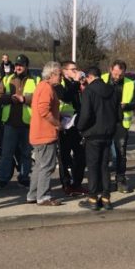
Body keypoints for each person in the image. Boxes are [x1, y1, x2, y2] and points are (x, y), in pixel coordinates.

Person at [77, 67, 118, 211]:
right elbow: (117, 112)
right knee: (104, 166)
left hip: (93, 133)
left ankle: (93, 198)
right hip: (108, 133)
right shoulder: (112, 90)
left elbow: (86, 114)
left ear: (89, 77)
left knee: (93, 166)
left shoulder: (89, 91)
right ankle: (106, 198)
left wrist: (80, 127)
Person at [0, 54, 36, 188]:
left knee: (26, 153)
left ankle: (24, 177)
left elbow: (38, 98)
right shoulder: (7, 79)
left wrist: (24, 99)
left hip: (27, 123)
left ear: (26, 66)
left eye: (21, 65)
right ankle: (3, 178)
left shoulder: (35, 80)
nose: (18, 67)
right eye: (17, 65)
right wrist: (11, 99)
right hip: (10, 124)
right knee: (7, 153)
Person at [26, 61, 63, 207]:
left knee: (39, 166)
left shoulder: (41, 86)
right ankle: (43, 196)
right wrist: (57, 123)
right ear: (52, 74)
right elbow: (43, 110)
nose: (61, 77)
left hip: (38, 133)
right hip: (45, 134)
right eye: (59, 74)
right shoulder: (47, 88)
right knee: (47, 166)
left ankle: (33, 194)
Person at [102, 60, 135, 193]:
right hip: (104, 122)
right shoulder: (102, 79)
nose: (117, 77)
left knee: (120, 154)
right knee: (104, 153)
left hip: (121, 123)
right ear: (111, 69)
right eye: (115, 74)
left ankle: (120, 180)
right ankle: (104, 181)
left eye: (120, 75)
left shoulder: (129, 83)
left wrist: (126, 106)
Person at [56, 60, 86, 195]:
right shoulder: (59, 84)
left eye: (76, 69)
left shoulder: (78, 83)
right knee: (64, 156)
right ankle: (66, 184)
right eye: (72, 69)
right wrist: (75, 82)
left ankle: (77, 183)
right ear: (64, 71)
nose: (76, 71)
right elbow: (65, 97)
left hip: (77, 123)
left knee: (80, 155)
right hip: (64, 125)